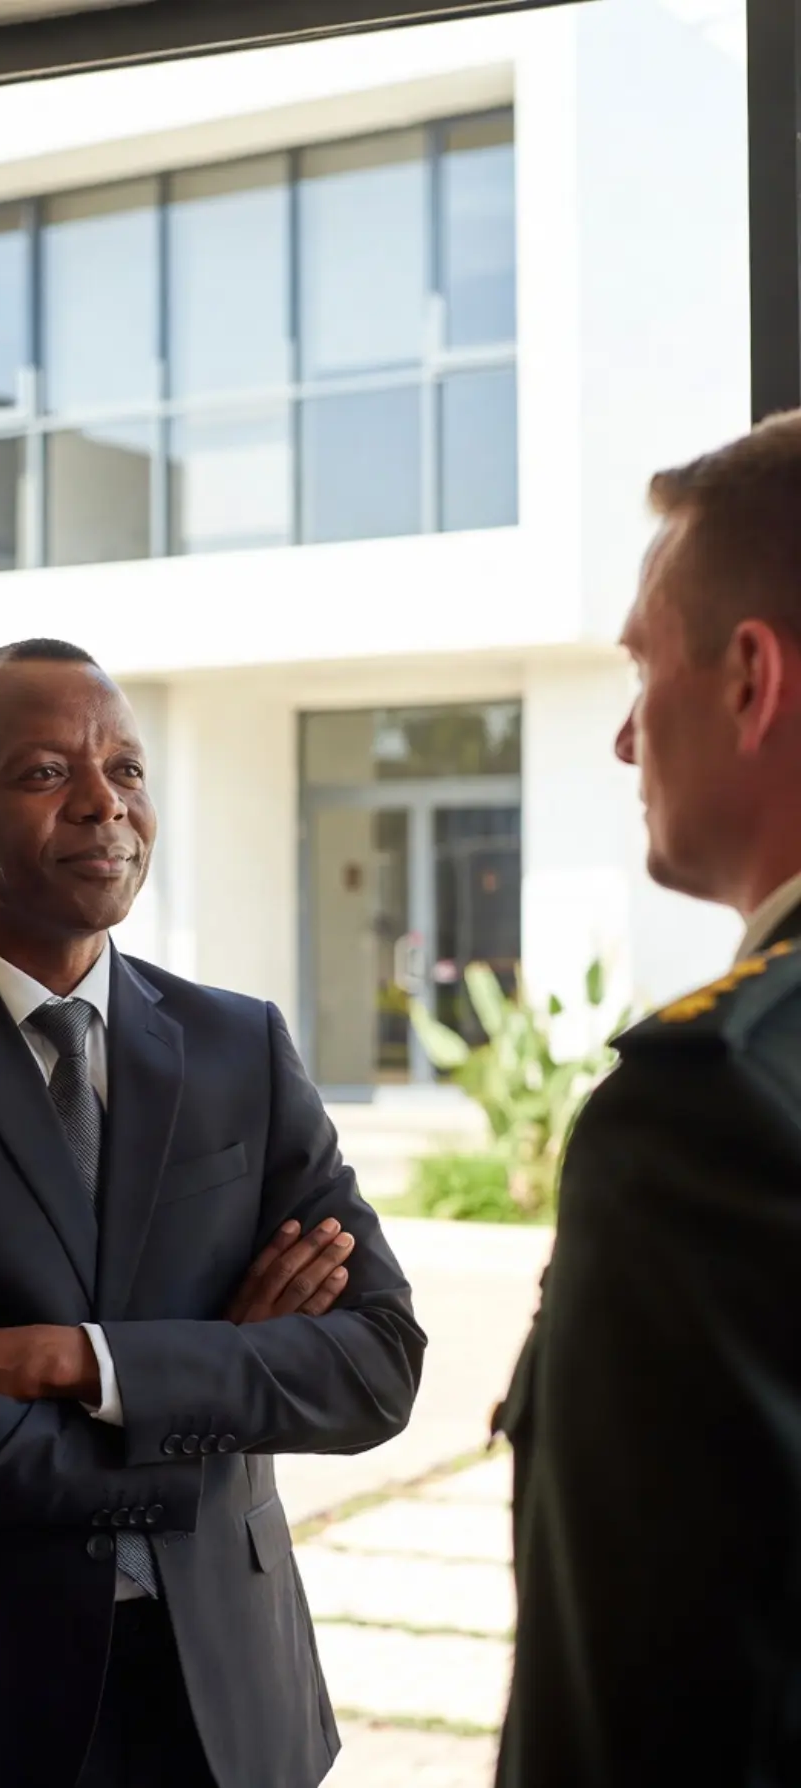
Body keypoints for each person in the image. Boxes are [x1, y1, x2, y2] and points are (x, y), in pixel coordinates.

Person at [0, 638, 426, 1788]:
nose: (102, 805)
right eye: (43, 774)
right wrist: (210, 1401)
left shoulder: (241, 1048)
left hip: (228, 1702)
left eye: (125, 769)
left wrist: (81, 1364)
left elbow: (374, 1366)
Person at [494, 412, 801, 1787]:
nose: (623, 738)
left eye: (640, 661)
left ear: (750, 679)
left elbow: (638, 1723)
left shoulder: (707, 1119)